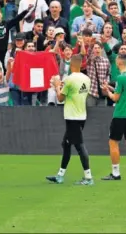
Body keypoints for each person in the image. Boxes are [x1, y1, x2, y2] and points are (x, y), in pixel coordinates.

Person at [46, 54, 94, 185]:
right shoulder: (86, 79)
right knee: (66, 144)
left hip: (72, 116)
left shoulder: (69, 79)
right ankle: (60, 175)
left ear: (71, 64)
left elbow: (61, 98)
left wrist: (57, 85)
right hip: (81, 115)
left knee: (79, 146)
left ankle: (88, 177)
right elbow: (76, 92)